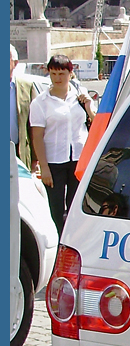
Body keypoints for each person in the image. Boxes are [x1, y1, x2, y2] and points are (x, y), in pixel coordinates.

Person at [29, 54, 94, 233]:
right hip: (54, 161)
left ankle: (74, 241)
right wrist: (44, 167)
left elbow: (97, 125)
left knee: (76, 206)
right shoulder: (40, 103)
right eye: (54, 73)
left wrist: (89, 107)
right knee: (55, 209)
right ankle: (57, 245)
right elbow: (37, 136)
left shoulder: (80, 98)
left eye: (62, 74)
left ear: (70, 74)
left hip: (78, 158)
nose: (58, 78)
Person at [10, 44, 37, 168]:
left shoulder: (27, 87)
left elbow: (34, 125)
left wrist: (35, 159)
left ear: (15, 63)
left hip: (19, 152)